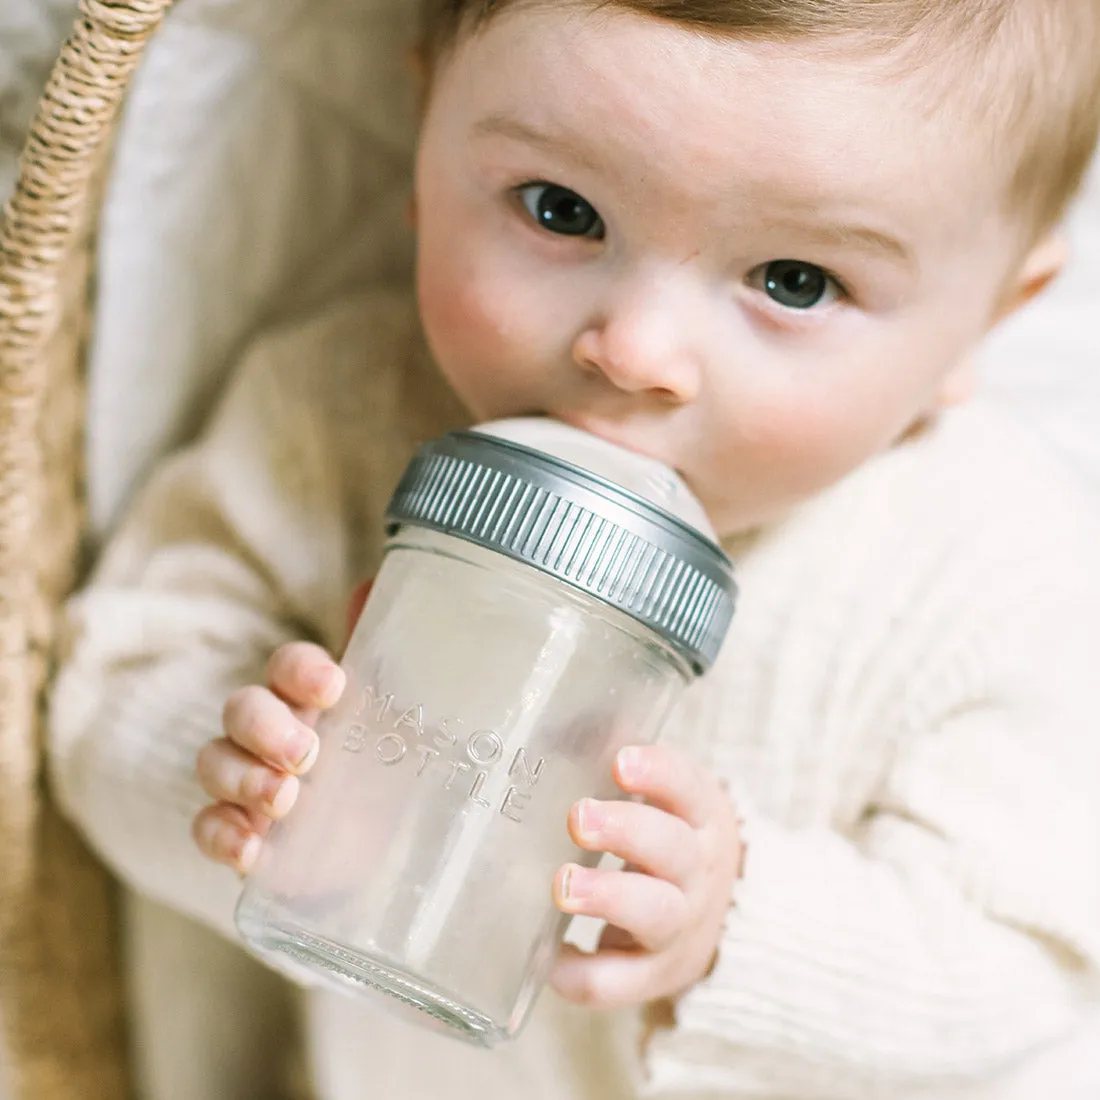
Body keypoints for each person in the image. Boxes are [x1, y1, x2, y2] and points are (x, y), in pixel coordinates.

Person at [47, 0, 1100, 1096]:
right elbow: (98, 685)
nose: (636, 351)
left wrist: (733, 923)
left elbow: (1029, 969)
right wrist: (228, 776)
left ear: (985, 319)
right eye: (560, 209)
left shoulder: (993, 566)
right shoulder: (332, 415)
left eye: (793, 280)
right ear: (422, 144)